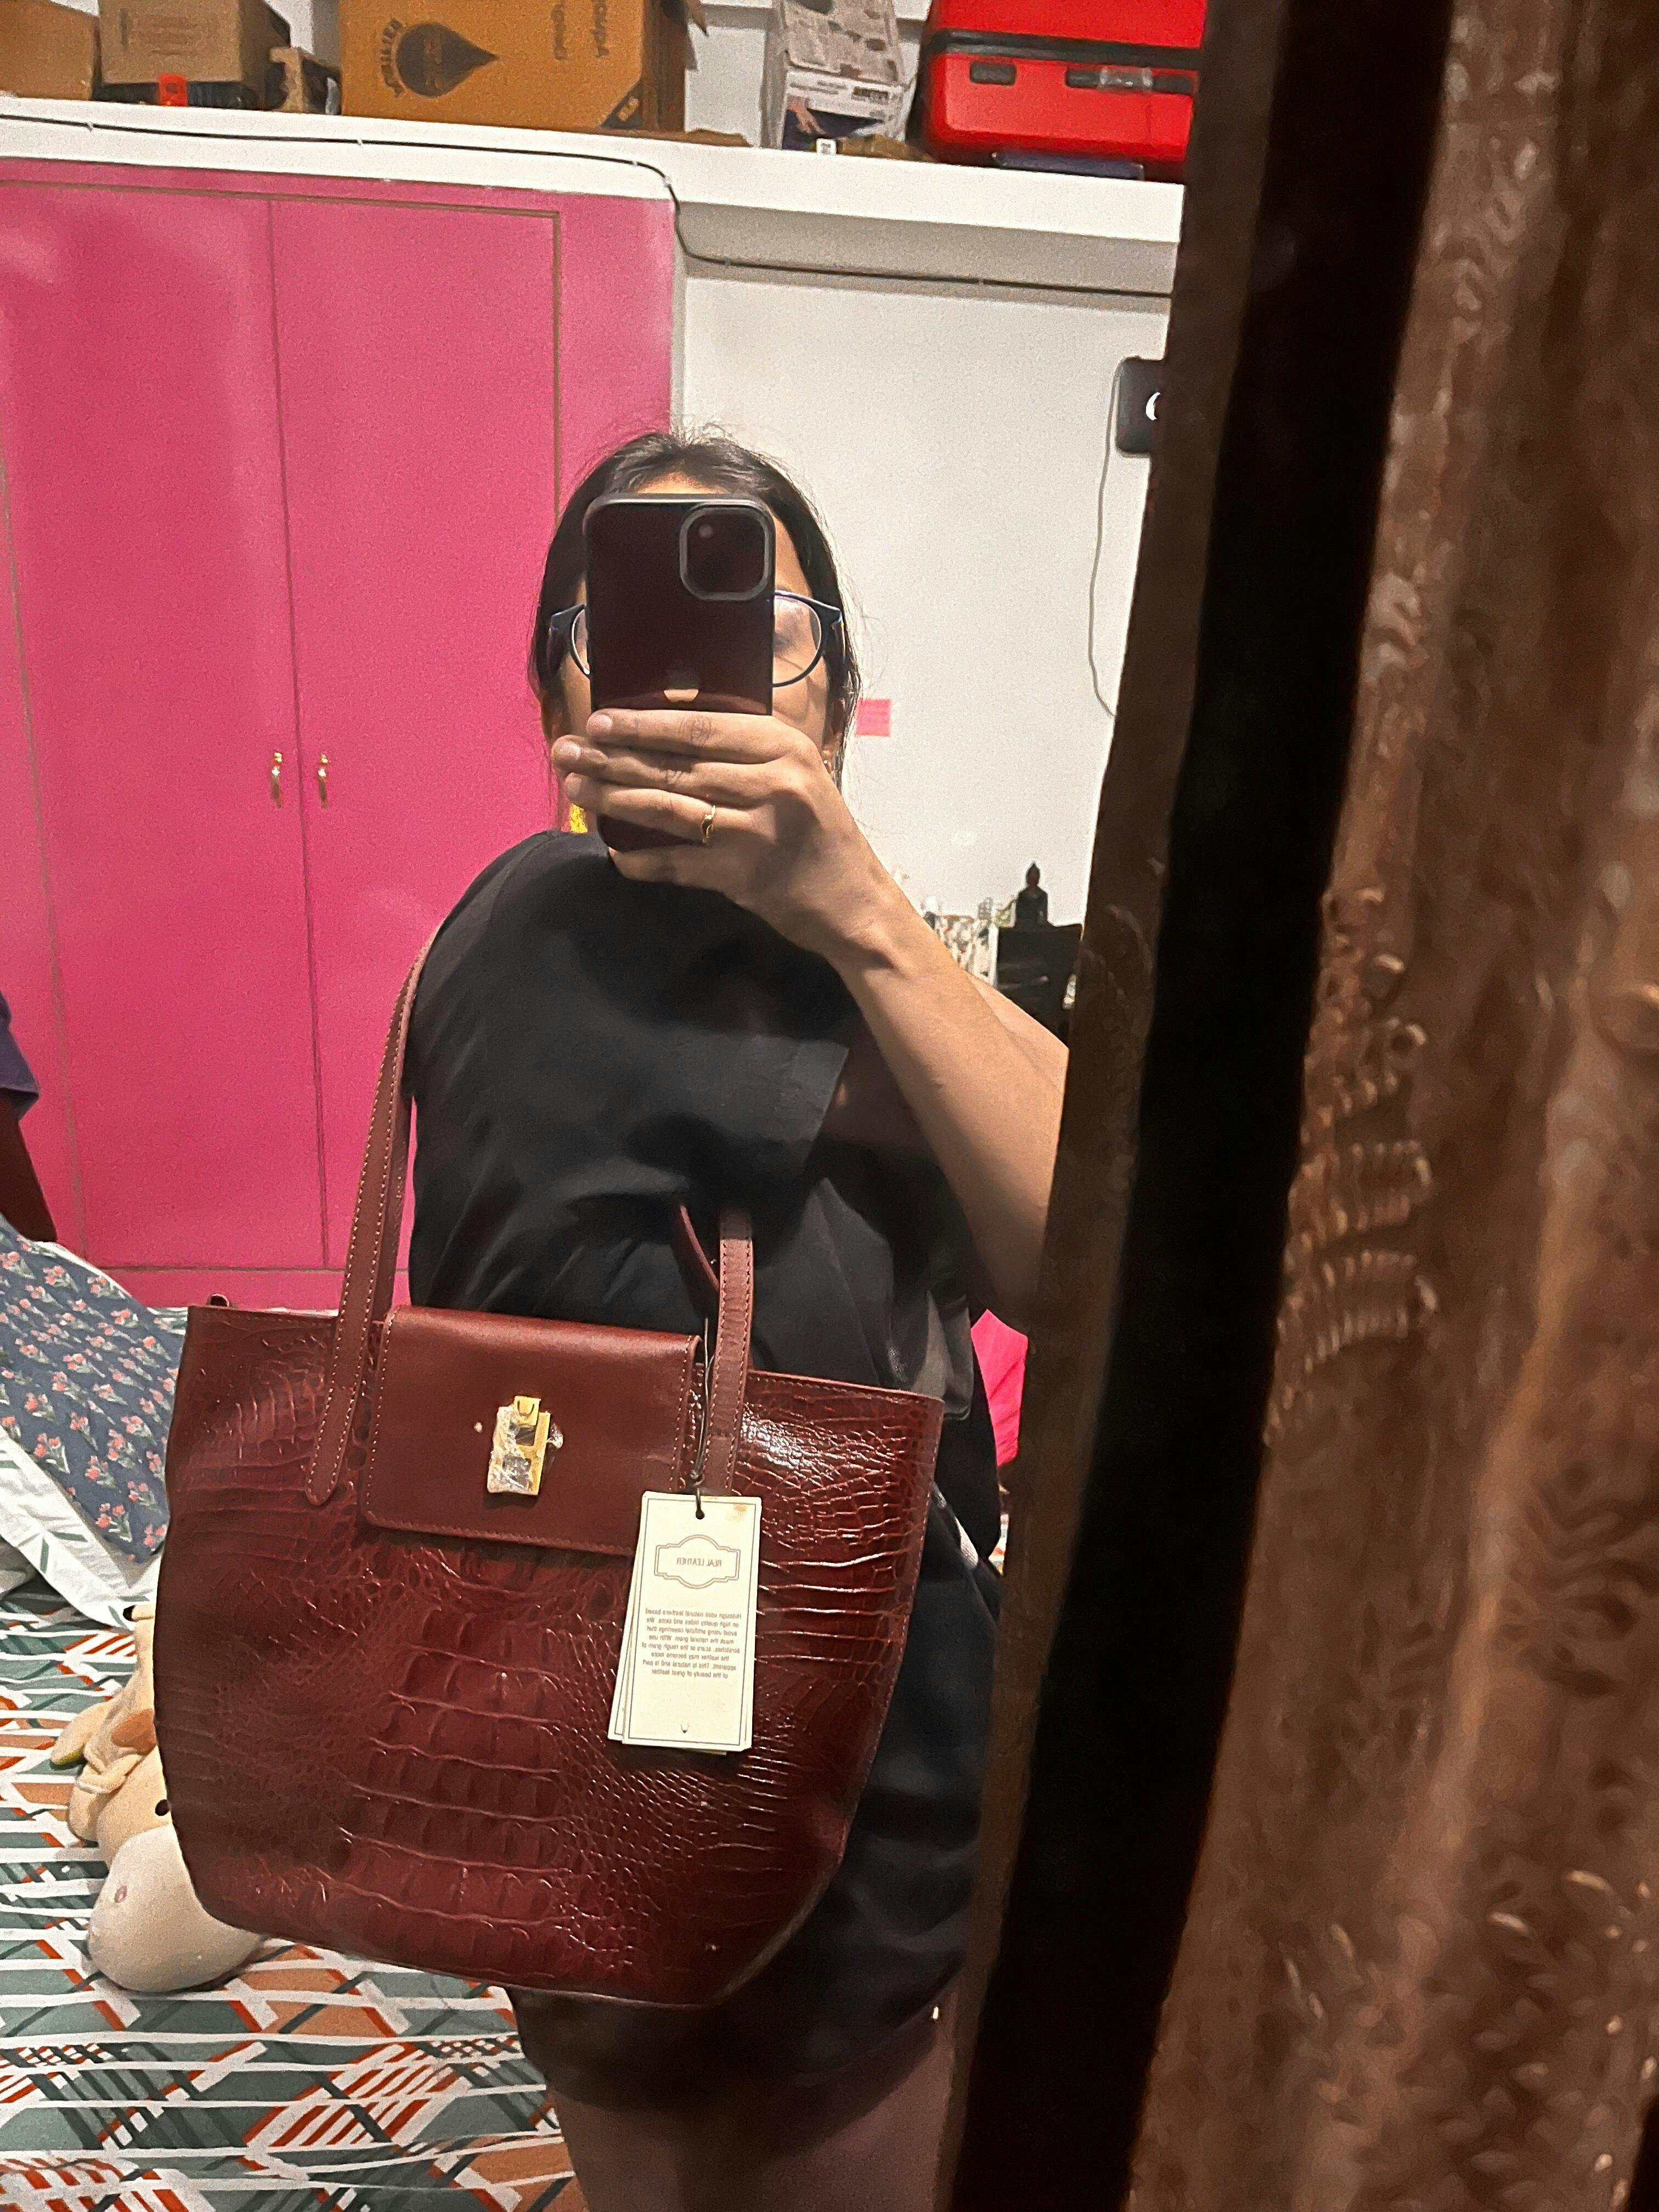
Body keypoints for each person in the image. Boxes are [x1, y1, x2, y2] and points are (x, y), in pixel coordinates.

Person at [404, 430, 1066, 2212]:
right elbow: (1094, 1240)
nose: (707, 672)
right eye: (615, 622)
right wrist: (859, 923)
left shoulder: (839, 969)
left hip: (769, 1796)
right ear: (560, 698)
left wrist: (851, 913)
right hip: (714, 1814)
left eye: (768, 625)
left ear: (837, 699)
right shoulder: (540, 936)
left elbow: (1067, 1253)